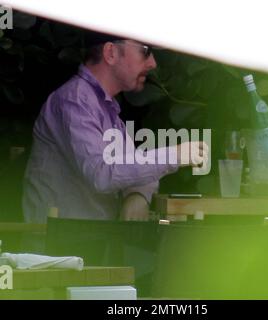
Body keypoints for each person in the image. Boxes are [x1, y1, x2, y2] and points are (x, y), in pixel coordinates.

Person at [22, 31, 208, 223]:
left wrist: (137, 196)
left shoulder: (103, 105)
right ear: (111, 53)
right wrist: (174, 155)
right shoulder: (75, 100)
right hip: (56, 247)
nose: (153, 63)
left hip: (83, 242)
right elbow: (101, 174)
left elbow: (131, 166)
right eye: (145, 51)